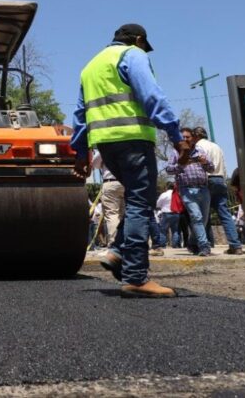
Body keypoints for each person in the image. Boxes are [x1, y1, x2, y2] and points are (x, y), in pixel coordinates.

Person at [72, 23, 189, 298]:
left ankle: (116, 252)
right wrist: (175, 135)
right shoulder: (133, 55)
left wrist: (81, 153)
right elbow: (151, 96)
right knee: (140, 201)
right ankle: (136, 276)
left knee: (138, 200)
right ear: (138, 39)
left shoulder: (90, 66)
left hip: (106, 144)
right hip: (133, 138)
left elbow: (80, 113)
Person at [192, 126, 244, 254]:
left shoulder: (198, 147)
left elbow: (199, 166)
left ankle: (203, 244)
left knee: (202, 215)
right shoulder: (217, 147)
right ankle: (235, 245)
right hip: (220, 179)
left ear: (196, 136)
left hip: (206, 180)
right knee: (224, 213)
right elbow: (224, 166)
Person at [166, 128, 214, 256]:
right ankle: (204, 246)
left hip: (203, 188)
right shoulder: (176, 153)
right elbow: (169, 170)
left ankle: (192, 242)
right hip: (186, 189)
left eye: (188, 137)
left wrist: (205, 162)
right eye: (183, 137)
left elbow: (212, 168)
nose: (185, 139)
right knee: (196, 217)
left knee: (203, 220)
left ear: (192, 138)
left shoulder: (200, 151)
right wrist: (182, 165)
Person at [91, 150, 124, 247]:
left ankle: (115, 244)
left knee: (112, 214)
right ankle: (125, 242)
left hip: (110, 182)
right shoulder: (129, 144)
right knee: (124, 215)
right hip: (126, 182)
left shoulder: (106, 145)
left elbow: (95, 163)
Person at [156, 182, 181, 248]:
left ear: (167, 187)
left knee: (163, 230)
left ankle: (162, 245)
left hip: (166, 213)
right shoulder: (177, 194)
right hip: (176, 213)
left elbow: (158, 204)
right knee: (175, 230)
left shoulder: (164, 194)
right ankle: (175, 245)